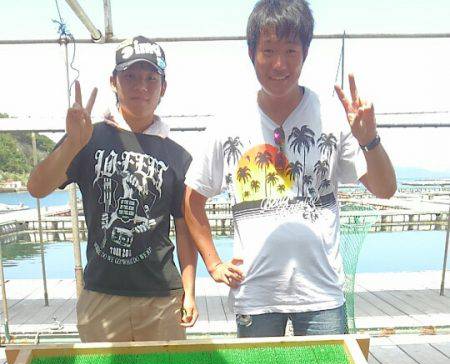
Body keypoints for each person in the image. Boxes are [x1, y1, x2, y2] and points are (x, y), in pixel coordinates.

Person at [184, 0, 397, 338]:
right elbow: (193, 198)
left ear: (305, 53)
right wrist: (213, 264)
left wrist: (369, 139)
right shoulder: (226, 122)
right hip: (255, 296)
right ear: (251, 52)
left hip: (323, 296)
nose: (279, 64)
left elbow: (384, 188)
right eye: (268, 50)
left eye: (290, 51)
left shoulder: (332, 116)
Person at [28, 36, 198, 342]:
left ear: (164, 87)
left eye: (151, 78)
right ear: (113, 82)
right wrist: (72, 144)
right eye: (129, 76)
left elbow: (184, 229)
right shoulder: (87, 137)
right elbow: (37, 188)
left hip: (161, 296)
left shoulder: (178, 156)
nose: (141, 86)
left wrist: (190, 292)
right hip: (101, 294)